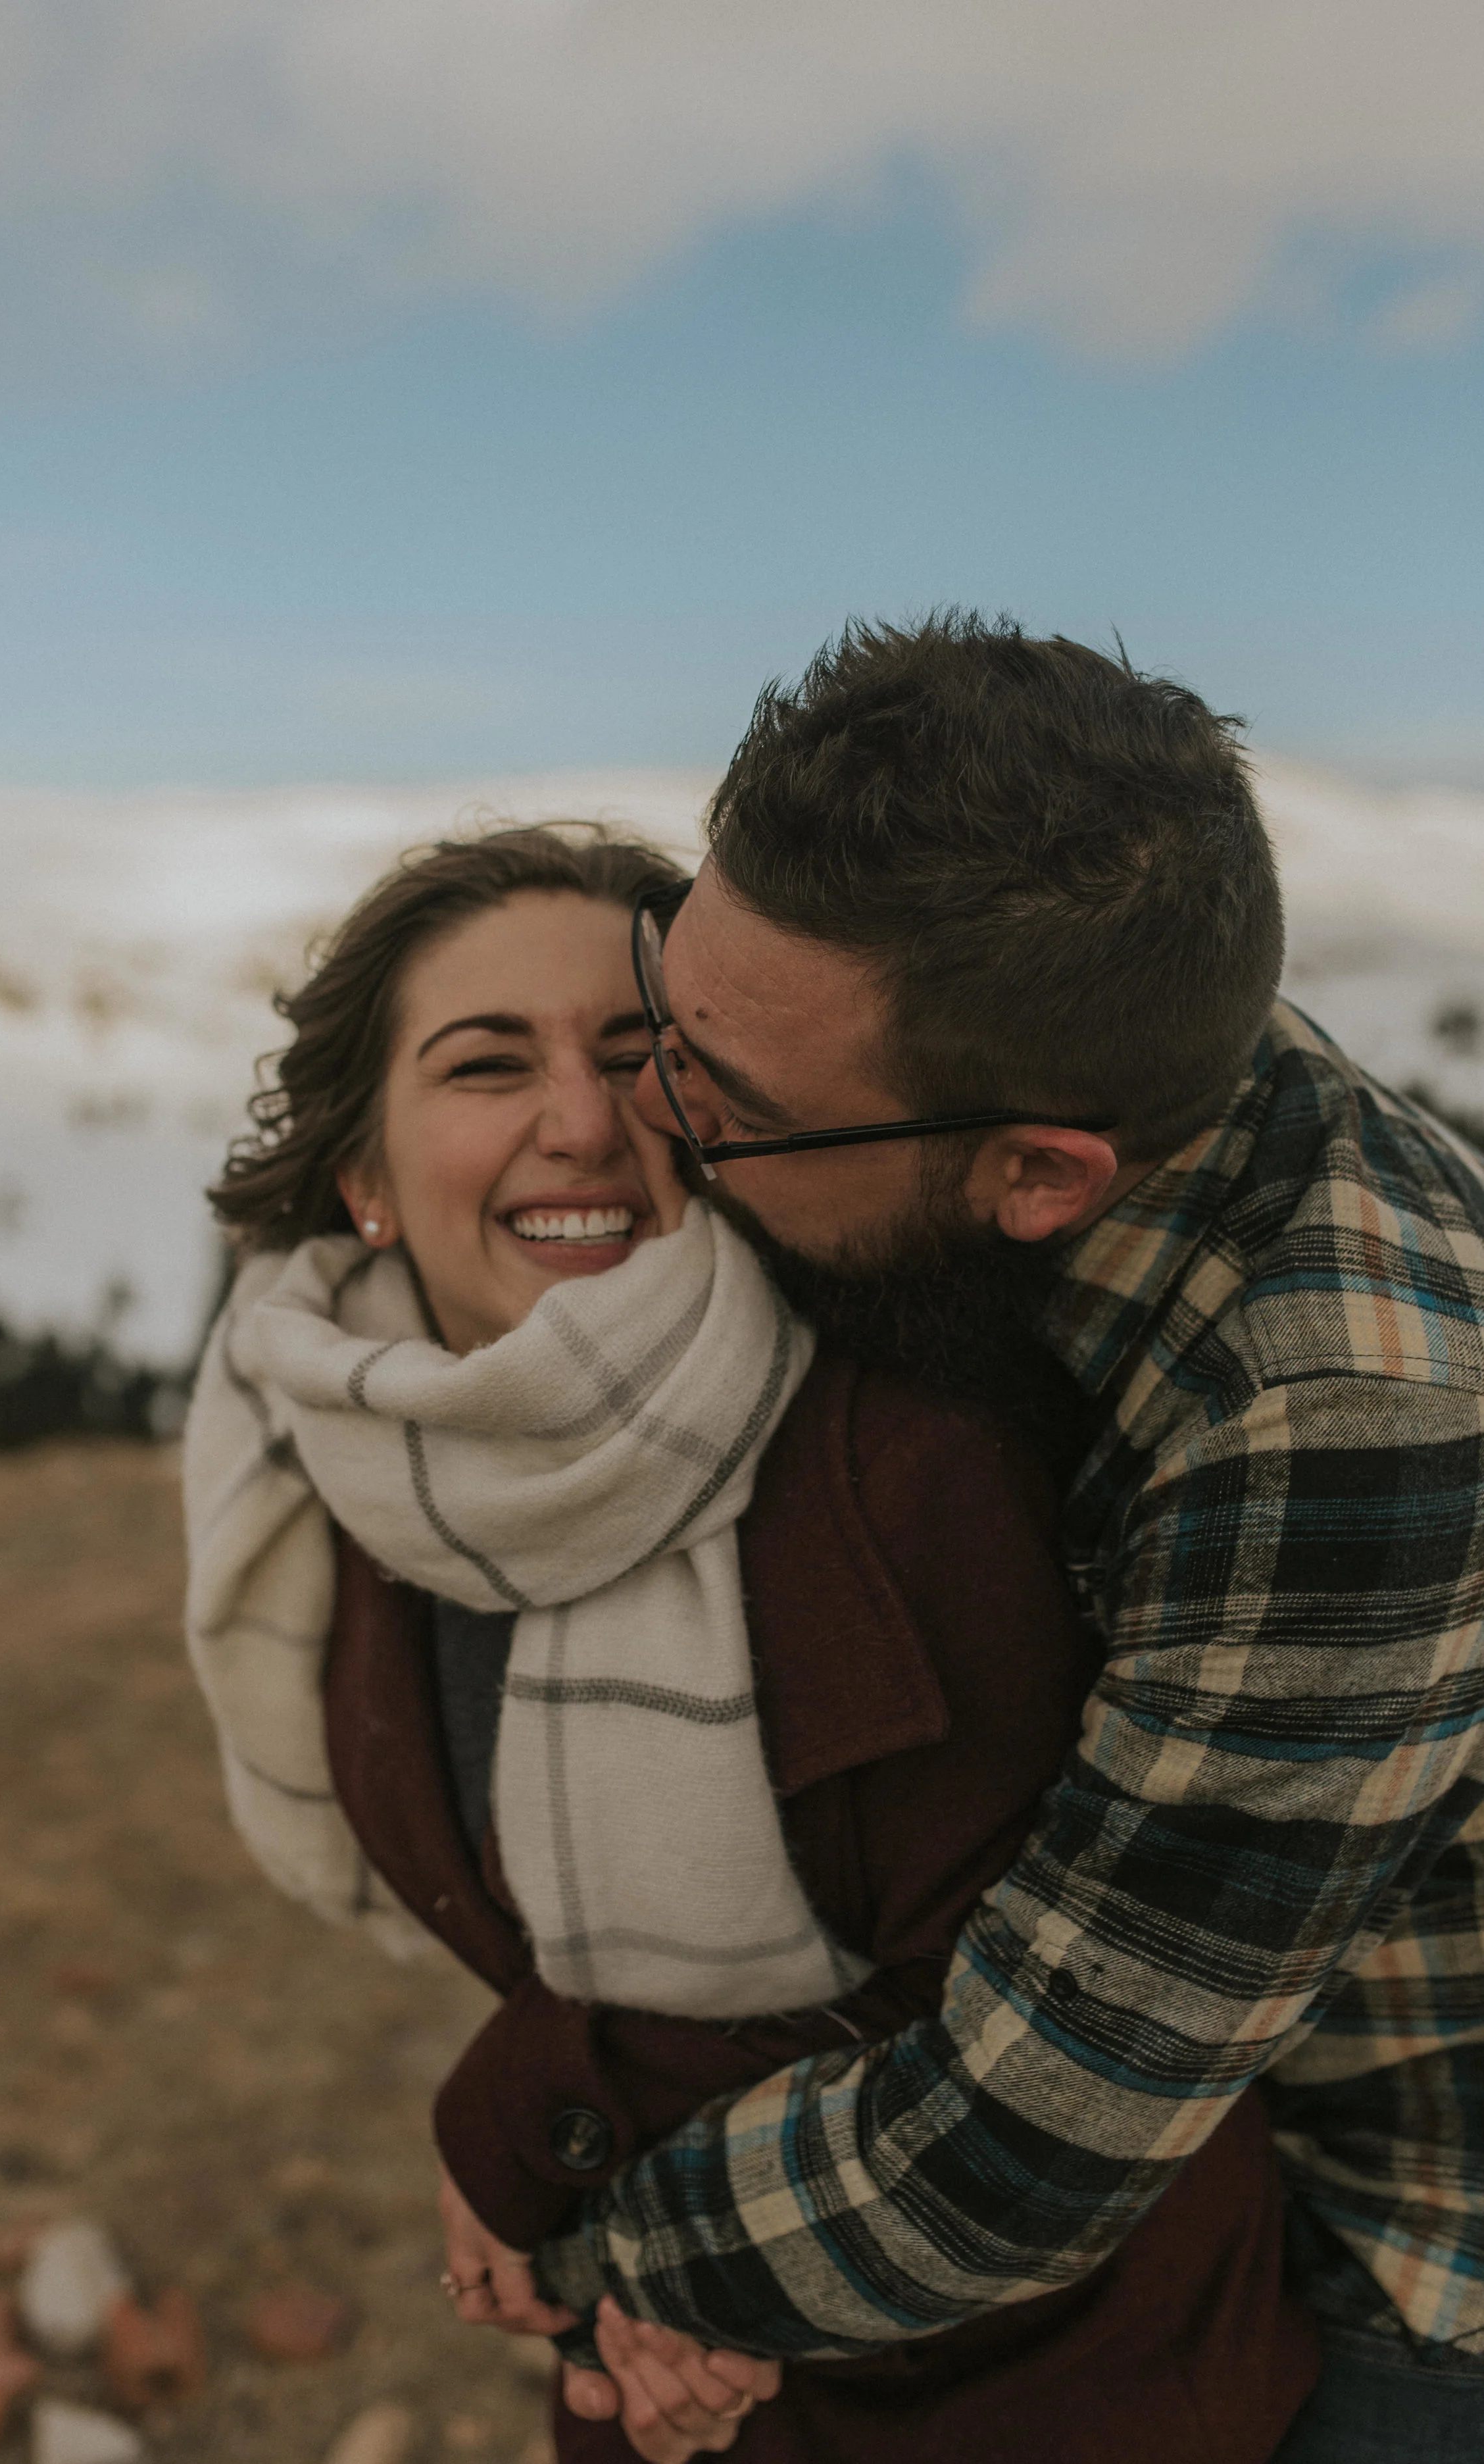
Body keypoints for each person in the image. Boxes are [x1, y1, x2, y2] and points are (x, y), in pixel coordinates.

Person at [462, 620, 1484, 2464]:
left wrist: (607, 2244)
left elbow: (1027, 2140)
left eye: (727, 1107)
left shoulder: (1346, 1419)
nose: (647, 1126)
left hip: (1390, 2239)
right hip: (1179, 2163)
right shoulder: (1053, 1035)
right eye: (666, 1012)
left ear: (1036, 1178)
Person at [182, 824, 1318, 2462]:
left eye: (640, 1054)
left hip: (1058, 2378)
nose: (579, 1123)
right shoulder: (345, 1461)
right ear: (362, 1175)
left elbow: (1015, 2028)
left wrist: (541, 2129)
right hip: (656, 2377)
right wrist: (627, 2276)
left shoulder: (906, 1456)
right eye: (486, 1064)